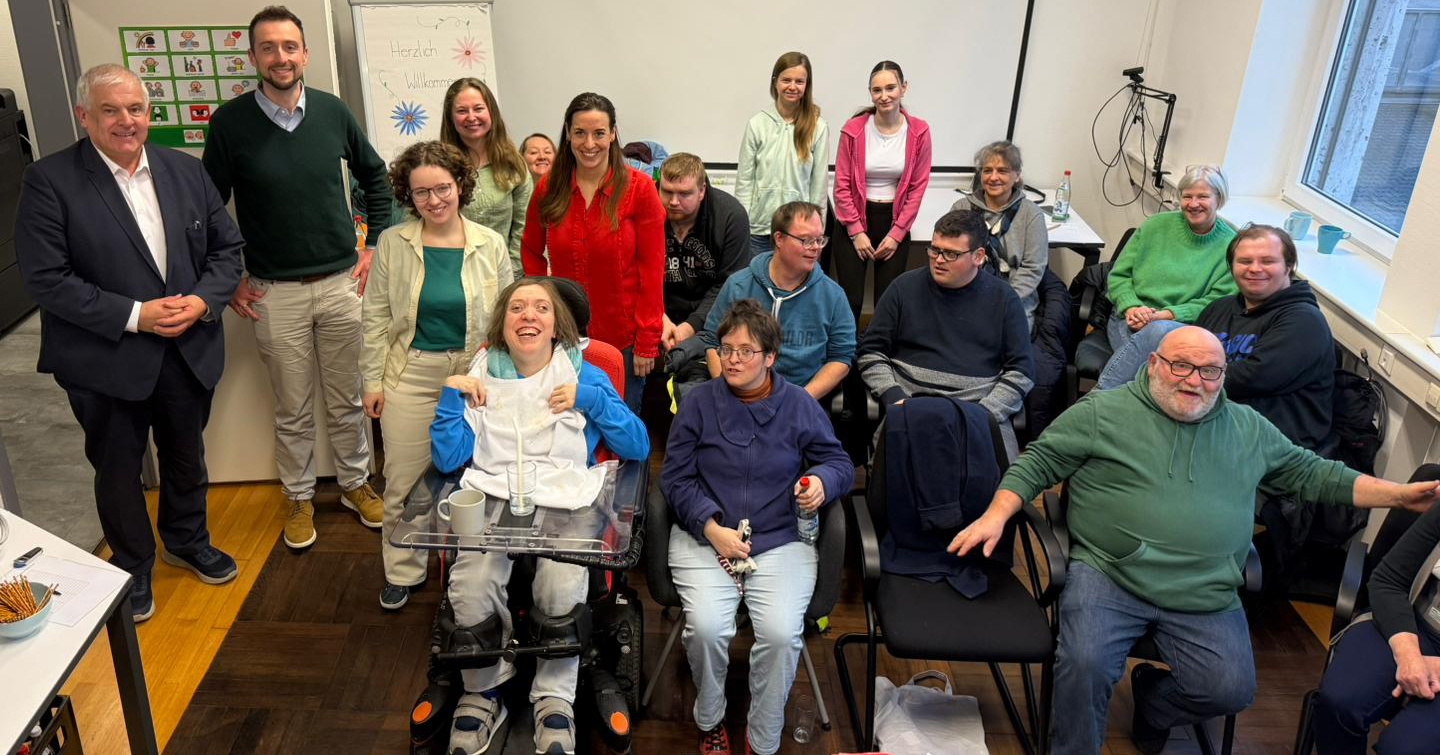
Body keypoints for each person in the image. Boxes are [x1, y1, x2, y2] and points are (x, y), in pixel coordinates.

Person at [948, 326, 1440, 755]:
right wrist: (997, 513)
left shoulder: (1247, 427)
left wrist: (1398, 495)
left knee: (1230, 691)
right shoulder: (1102, 412)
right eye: (1181, 365)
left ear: (1224, 375)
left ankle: (1154, 702)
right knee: (1085, 664)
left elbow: (1317, 475)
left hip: (1206, 587)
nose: (1194, 380)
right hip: (1112, 574)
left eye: (1210, 371)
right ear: (1153, 364)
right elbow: (1037, 462)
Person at [15, 64, 245, 621]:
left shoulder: (184, 171)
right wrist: (136, 316)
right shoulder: (49, 181)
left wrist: (202, 301)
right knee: (117, 468)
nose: (126, 120)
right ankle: (133, 566)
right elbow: (46, 278)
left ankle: (187, 541)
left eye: (136, 108)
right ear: (84, 116)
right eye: (111, 110)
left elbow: (226, 250)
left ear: (149, 112)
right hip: (106, 356)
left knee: (186, 455)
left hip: (186, 348)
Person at [429, 277, 649, 755]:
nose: (528, 315)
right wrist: (451, 397)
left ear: (556, 326)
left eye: (541, 308)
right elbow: (448, 461)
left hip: (565, 505)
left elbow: (637, 445)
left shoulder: (584, 374)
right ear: (501, 327)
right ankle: (484, 689)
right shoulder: (480, 374)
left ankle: (554, 695)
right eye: (516, 308)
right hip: (493, 500)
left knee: (560, 583)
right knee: (470, 584)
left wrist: (591, 401)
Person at [203, 5, 390, 550]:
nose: (280, 57)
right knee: (292, 406)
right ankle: (299, 495)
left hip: (340, 285)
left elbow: (375, 176)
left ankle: (356, 483)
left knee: (348, 397)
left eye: (290, 47)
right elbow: (208, 210)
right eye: (268, 48)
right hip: (271, 293)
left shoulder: (332, 111)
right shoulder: (229, 123)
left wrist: (374, 243)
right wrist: (227, 278)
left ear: (304, 54)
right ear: (254, 57)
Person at [662, 299, 854, 755]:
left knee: (781, 634)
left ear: (770, 357)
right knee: (707, 629)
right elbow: (673, 477)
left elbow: (838, 462)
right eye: (727, 349)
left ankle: (763, 738)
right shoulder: (698, 403)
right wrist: (710, 527)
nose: (732, 360)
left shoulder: (798, 405)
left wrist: (821, 483)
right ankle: (710, 719)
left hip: (779, 539)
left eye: (746, 351)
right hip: (705, 537)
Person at [361, 141, 511, 610]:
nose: (434, 200)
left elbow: (507, 318)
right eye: (421, 192)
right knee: (403, 481)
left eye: (442, 188)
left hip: (474, 376)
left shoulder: (490, 243)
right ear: (408, 195)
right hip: (411, 376)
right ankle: (402, 569)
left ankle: (470, 571)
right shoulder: (393, 242)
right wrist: (372, 381)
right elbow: (376, 318)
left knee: (478, 480)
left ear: (460, 186)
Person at [1096, 226, 1335, 451]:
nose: (1254, 268)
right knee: (1106, 435)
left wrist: (1168, 379)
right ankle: (1095, 413)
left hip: (1263, 443)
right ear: (1231, 267)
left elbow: (1248, 379)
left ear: (1289, 266)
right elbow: (1186, 357)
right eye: (1244, 261)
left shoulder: (1303, 321)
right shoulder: (1220, 308)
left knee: (1122, 445)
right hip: (1203, 420)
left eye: (1267, 261)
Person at [520, 92, 665, 412]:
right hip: (562, 335)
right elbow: (530, 248)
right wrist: (542, 301)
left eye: (599, 133)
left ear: (613, 134)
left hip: (623, 339)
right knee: (566, 427)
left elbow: (652, 271)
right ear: (568, 134)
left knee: (618, 429)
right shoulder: (548, 187)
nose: (589, 143)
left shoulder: (640, 190)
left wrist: (647, 341)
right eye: (580, 132)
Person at [857, 209, 1034, 458]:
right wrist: (893, 395)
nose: (939, 260)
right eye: (934, 249)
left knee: (1001, 486)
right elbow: (871, 352)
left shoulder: (1004, 300)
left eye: (951, 253)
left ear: (978, 256)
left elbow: (1022, 371)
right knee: (896, 480)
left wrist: (987, 413)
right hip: (910, 404)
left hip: (979, 409)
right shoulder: (903, 288)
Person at [1312, 468, 1440, 754]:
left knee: (1404, 747)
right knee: (1340, 702)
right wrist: (1408, 653)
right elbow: (1388, 579)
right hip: (1413, 626)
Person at [1098, 164, 1237, 387]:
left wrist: (1166, 315)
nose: (1193, 204)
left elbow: (1216, 303)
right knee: (1158, 378)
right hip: (1130, 317)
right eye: (1187, 196)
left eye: (1203, 196)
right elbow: (1119, 276)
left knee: (1157, 354)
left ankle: (1097, 402)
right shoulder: (1154, 226)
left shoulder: (1231, 246)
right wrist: (1132, 307)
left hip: (1180, 327)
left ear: (1219, 199)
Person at [703, 201, 854, 402]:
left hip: (800, 401)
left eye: (819, 240)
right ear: (779, 239)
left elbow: (841, 357)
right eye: (806, 240)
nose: (815, 248)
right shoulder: (739, 285)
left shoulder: (833, 295)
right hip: (739, 397)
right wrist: (730, 393)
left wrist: (803, 398)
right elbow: (711, 343)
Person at [832, 60, 931, 325]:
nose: (884, 96)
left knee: (886, 302)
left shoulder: (919, 132)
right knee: (850, 300)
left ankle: (878, 359)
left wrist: (897, 234)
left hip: (893, 223)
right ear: (870, 93)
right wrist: (856, 231)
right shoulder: (853, 130)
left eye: (890, 88)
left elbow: (917, 187)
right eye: (877, 90)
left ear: (904, 88)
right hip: (853, 224)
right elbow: (841, 185)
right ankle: (846, 359)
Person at [736, 52, 831, 258]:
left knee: (795, 287)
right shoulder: (757, 124)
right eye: (786, 80)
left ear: (807, 85)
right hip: (759, 229)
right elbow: (744, 181)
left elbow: (819, 186)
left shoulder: (818, 127)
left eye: (799, 81)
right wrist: (742, 224)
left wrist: (816, 232)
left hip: (799, 233)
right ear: (775, 82)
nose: (792, 86)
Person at [657, 152, 750, 361]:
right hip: (657, 314)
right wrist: (659, 318)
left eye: (684, 194)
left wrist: (690, 327)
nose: (673, 201)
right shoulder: (646, 210)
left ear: (702, 191)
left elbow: (729, 284)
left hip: (712, 319)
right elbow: (634, 273)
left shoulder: (731, 216)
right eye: (667, 191)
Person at [438, 77, 531, 276]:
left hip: (502, 273)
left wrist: (511, 274)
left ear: (491, 112)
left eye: (478, 108)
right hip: (450, 273)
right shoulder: (439, 166)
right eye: (462, 111)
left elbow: (524, 229)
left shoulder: (514, 165)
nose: (471, 117)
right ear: (451, 118)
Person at [955, 140, 1049, 330]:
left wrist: (1003, 300)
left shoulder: (1031, 215)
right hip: (967, 290)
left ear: (1017, 175)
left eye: (1003, 171)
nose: (993, 177)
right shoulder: (961, 209)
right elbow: (951, 257)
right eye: (987, 170)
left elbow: (1033, 267)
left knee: (1004, 337)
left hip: (1013, 296)